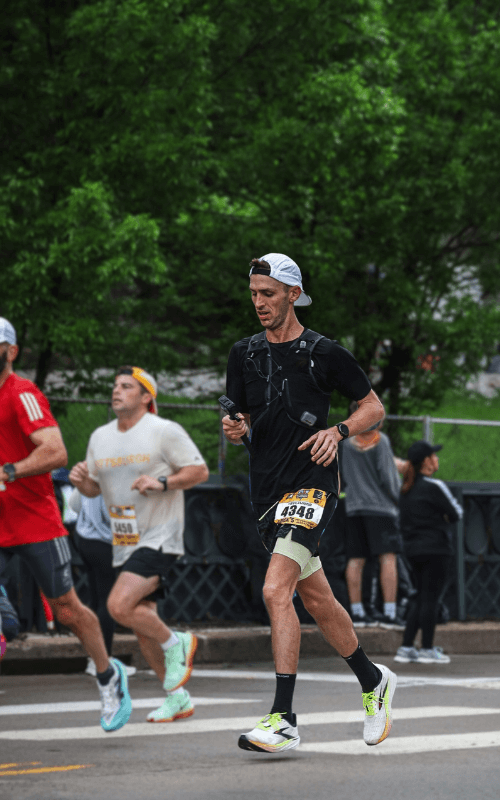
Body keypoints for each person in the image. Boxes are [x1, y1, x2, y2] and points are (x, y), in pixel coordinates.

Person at [223, 253, 397, 753]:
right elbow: (243, 421)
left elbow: (373, 407)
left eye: (269, 294)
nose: (259, 303)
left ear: (293, 295)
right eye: (254, 293)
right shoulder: (244, 354)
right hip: (268, 492)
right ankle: (373, 681)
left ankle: (283, 718)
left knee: (276, 591)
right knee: (318, 599)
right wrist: (237, 428)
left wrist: (338, 431)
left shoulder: (324, 352)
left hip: (313, 488)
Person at [0, 317, 131, 732]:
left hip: (35, 519)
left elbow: (56, 451)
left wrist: (8, 471)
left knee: (67, 609)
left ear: (11, 351)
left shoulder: (22, 394)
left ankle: (109, 677)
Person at [70, 365, 209, 723]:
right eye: (115, 385)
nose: (117, 391)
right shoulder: (100, 436)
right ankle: (176, 696)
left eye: (126, 386)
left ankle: (177, 642)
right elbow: (94, 490)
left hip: (161, 534)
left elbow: (198, 471)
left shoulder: (164, 430)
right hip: (125, 539)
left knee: (118, 606)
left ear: (146, 396)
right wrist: (82, 481)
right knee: (141, 618)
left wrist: (162, 483)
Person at [394, 440, 463, 664]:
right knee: (431, 599)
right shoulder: (434, 486)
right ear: (427, 461)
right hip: (436, 548)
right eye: (434, 455)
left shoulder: (406, 489)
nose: (437, 459)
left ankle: (406, 647)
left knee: (419, 595)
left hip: (412, 550)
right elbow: (456, 514)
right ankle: (427, 648)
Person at [341, 404, 405, 630]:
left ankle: (357, 612)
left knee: (356, 559)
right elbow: (388, 478)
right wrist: (400, 500)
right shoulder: (381, 441)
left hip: (354, 506)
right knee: (388, 558)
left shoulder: (346, 443)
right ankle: (389, 612)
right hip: (381, 508)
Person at [69, 489, 136, 678]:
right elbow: (119, 511)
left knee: (97, 600)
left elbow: (74, 504)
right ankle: (104, 662)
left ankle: (95, 659)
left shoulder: (91, 466)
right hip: (107, 542)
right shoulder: (119, 471)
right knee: (108, 603)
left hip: (85, 539)